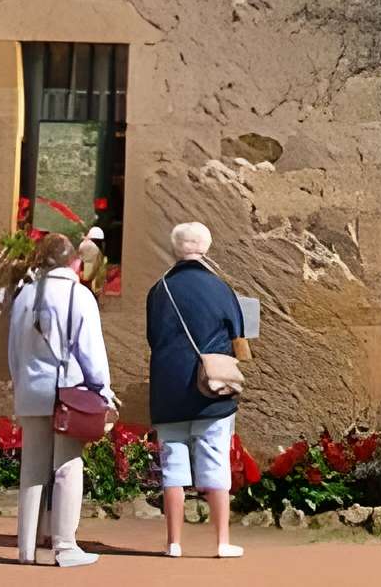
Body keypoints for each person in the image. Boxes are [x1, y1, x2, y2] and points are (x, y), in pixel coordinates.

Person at [5, 230, 112, 567]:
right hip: (66, 391)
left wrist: (21, 382)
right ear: (73, 260)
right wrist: (102, 391)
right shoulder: (79, 296)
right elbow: (91, 352)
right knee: (67, 465)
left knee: (32, 468)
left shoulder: (24, 295)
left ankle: (26, 548)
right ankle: (65, 546)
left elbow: (13, 351)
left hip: (30, 388)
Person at [144, 219, 249, 559]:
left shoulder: (159, 290)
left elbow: (152, 338)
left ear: (175, 248)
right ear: (206, 247)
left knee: (173, 465)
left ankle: (173, 542)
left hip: (168, 388)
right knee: (215, 462)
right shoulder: (220, 288)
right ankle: (221, 542)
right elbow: (239, 338)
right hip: (211, 391)